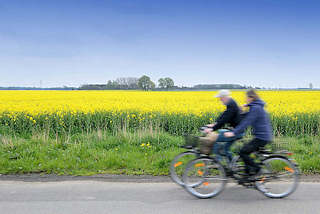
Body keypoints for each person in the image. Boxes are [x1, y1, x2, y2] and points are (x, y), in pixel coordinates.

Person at [224, 89, 273, 177]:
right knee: (246, 151)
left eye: (246, 97)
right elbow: (245, 116)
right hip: (262, 136)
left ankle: (257, 169)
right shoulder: (256, 106)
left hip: (261, 138)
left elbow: (247, 122)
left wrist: (233, 133)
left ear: (251, 98)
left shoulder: (256, 108)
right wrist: (244, 108)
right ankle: (248, 175)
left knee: (243, 152)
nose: (245, 99)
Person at [199, 89, 242, 161]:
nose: (220, 100)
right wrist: (214, 124)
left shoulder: (231, 106)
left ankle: (217, 162)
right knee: (225, 149)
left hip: (236, 132)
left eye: (221, 98)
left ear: (224, 97)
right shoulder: (231, 103)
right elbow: (223, 115)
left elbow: (224, 120)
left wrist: (212, 129)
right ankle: (232, 166)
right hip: (235, 130)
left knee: (216, 139)